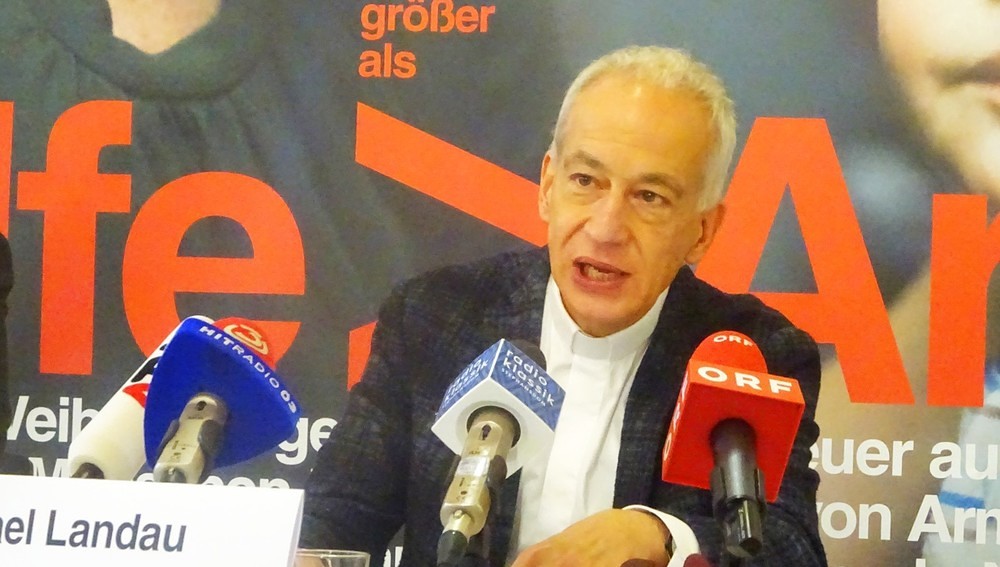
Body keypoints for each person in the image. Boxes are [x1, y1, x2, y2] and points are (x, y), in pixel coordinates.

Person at [300, 46, 826, 567]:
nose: (606, 228)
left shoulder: (756, 354)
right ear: (548, 186)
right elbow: (335, 520)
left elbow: (790, 547)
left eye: (649, 197)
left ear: (703, 231)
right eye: (586, 182)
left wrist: (658, 536)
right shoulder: (435, 318)